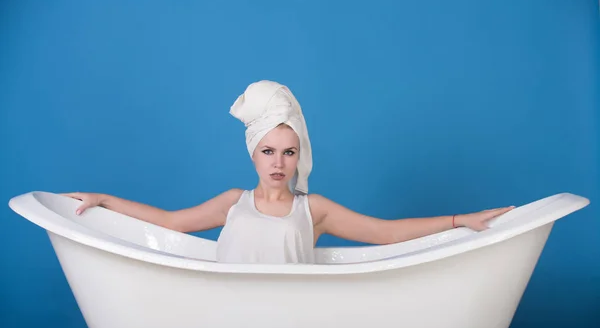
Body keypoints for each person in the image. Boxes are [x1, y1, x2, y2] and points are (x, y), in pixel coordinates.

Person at [62, 80, 514, 264]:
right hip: (223, 325)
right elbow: (168, 222)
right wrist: (103, 200)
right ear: (254, 155)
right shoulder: (231, 203)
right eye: (269, 151)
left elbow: (387, 233)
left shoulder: (313, 210)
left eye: (289, 152)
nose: (279, 163)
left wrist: (461, 221)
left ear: (299, 157)